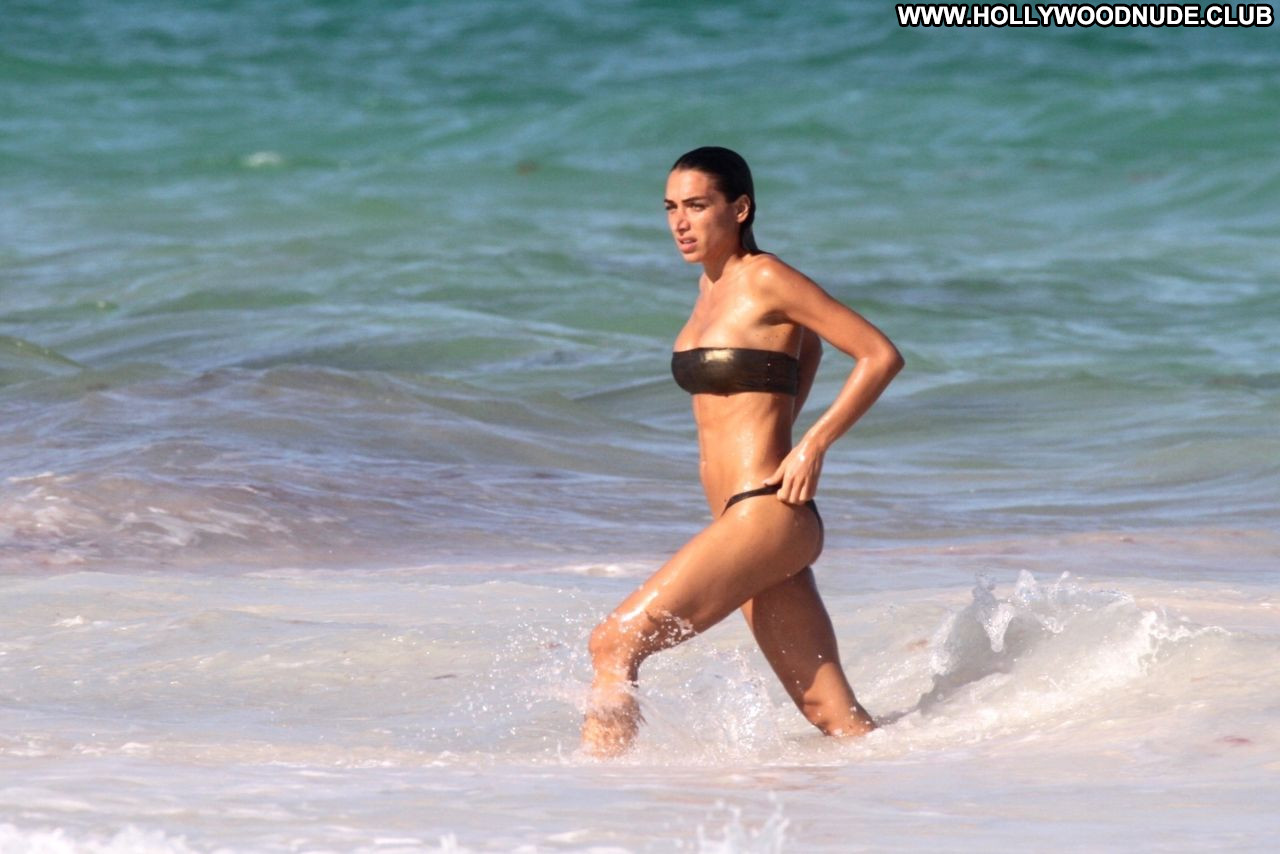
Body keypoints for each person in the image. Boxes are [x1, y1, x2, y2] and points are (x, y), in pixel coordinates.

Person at [581, 146, 904, 757]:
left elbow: (878, 354)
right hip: (741, 520)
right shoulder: (709, 290)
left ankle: (599, 795)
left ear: (740, 208)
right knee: (833, 716)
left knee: (613, 643)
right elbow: (804, 347)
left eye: (697, 205)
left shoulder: (765, 277)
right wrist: (783, 416)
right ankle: (916, 788)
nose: (680, 222)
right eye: (671, 208)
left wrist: (810, 444)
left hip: (766, 511)